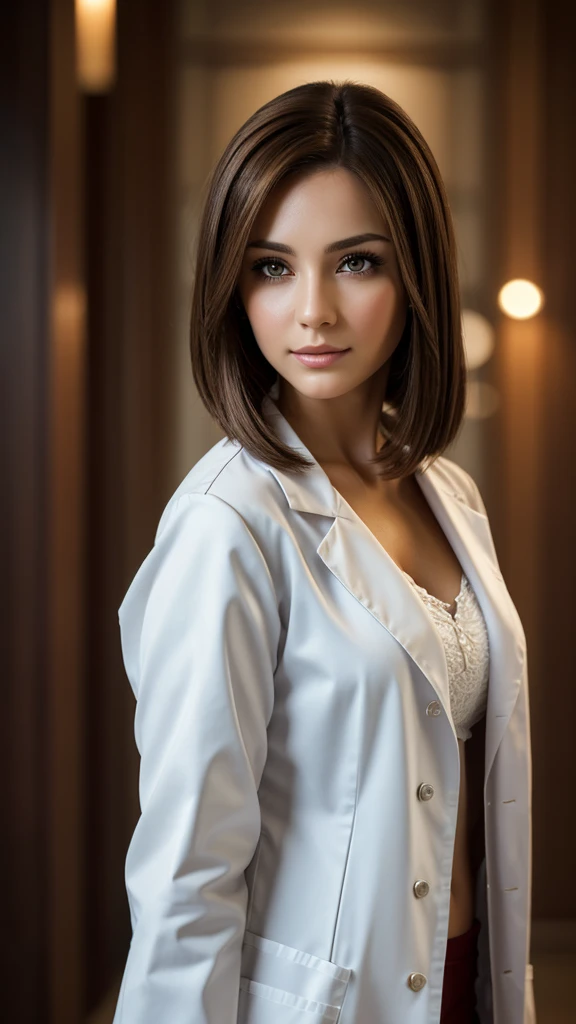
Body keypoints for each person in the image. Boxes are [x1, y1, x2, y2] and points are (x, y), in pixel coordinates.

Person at [112, 81, 536, 1024]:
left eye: (354, 262)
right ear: (232, 282)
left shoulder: (446, 493)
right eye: (271, 267)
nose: (313, 311)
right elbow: (188, 876)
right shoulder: (227, 526)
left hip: (465, 982)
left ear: (416, 269)